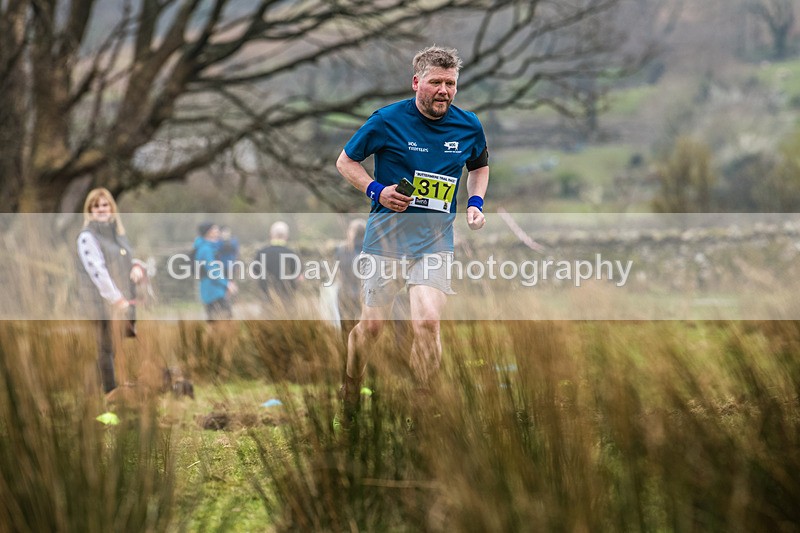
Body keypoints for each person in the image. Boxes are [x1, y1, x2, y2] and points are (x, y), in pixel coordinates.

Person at [335, 46, 489, 414]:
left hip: (435, 240)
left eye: (451, 84)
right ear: (417, 82)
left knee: (428, 321)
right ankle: (351, 384)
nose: (444, 91)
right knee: (372, 327)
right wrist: (377, 191)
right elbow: (345, 161)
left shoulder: (469, 125)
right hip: (386, 238)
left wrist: (475, 203)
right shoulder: (387, 120)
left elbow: (479, 166)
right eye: (436, 82)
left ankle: (424, 404)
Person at [77, 187, 145, 396]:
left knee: (112, 350)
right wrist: (117, 300)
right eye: (96, 206)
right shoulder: (87, 237)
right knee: (105, 350)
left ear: (112, 208)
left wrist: (137, 267)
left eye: (105, 205)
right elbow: (98, 272)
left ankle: (91, 398)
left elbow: (126, 259)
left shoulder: (118, 234)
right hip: (99, 303)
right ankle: (110, 397)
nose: (102, 209)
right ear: (89, 210)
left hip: (120, 302)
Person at [254, 221, 301, 308]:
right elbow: (298, 277)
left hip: (267, 296)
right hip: (287, 298)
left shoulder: (261, 253)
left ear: (271, 235)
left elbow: (255, 273)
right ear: (286, 236)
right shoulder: (292, 254)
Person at [194, 222, 235, 321]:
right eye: (215, 229)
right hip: (213, 292)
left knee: (215, 323)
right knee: (224, 323)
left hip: (212, 291)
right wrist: (227, 284)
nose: (218, 232)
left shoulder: (207, 247)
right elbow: (213, 271)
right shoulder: (206, 249)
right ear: (209, 233)